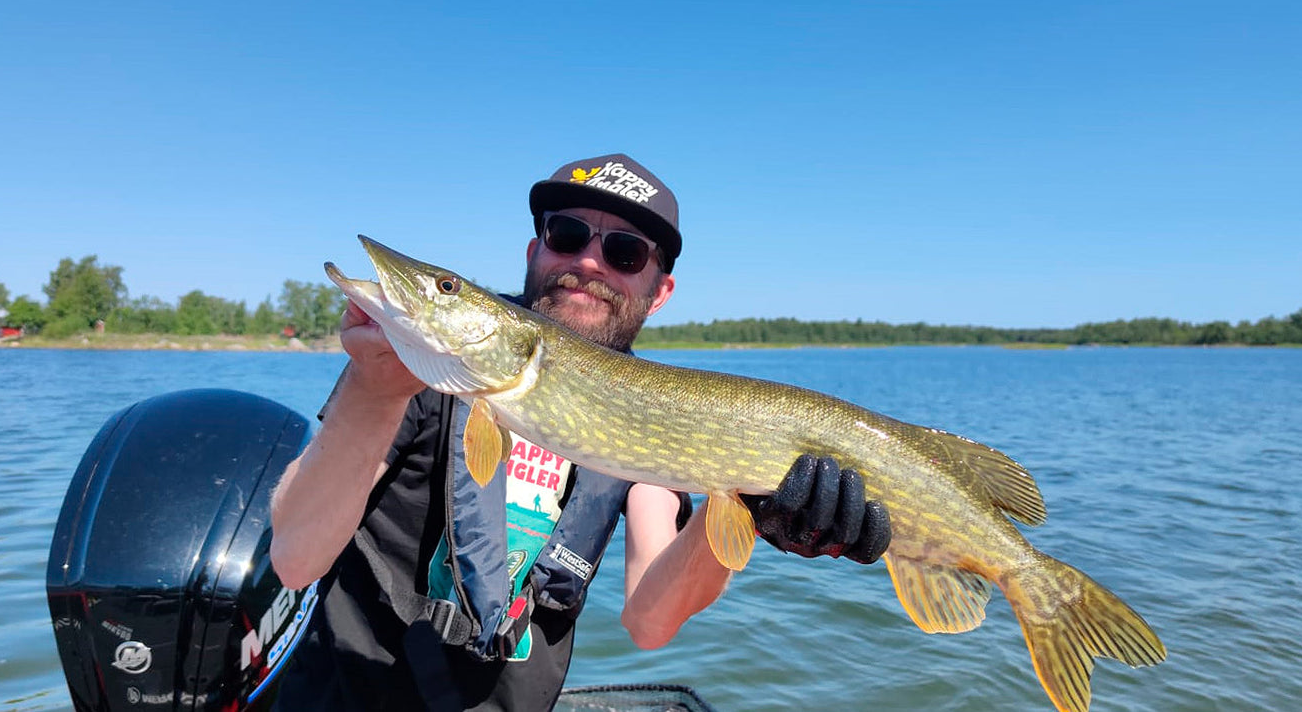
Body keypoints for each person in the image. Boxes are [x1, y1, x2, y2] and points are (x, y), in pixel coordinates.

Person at [268, 153, 892, 712]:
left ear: (660, 291)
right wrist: (373, 389)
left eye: (624, 252)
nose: (588, 262)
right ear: (534, 252)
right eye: (566, 235)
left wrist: (754, 510)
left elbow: (651, 622)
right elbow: (294, 558)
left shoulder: (657, 412)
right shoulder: (424, 369)